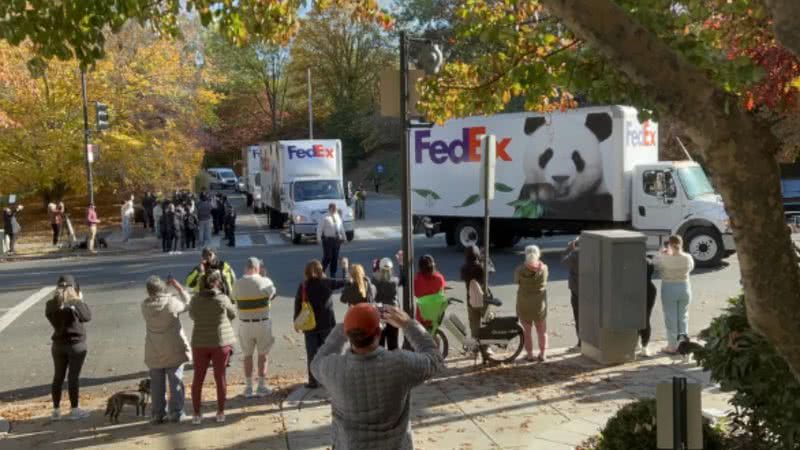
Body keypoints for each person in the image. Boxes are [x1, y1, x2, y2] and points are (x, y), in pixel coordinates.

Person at [310, 303, 444, 450]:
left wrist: (347, 325)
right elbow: (434, 359)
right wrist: (408, 324)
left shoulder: (332, 369)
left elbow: (316, 362)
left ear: (348, 335)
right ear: (379, 333)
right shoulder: (400, 364)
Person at [141, 275, 191, 424]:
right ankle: (176, 412)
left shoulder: (145, 306)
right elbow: (188, 304)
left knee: (157, 385)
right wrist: (179, 288)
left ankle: (157, 413)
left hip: (153, 349)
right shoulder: (171, 303)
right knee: (175, 381)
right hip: (173, 347)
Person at [188, 270, 236, 424]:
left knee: (198, 378)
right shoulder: (222, 299)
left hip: (199, 342)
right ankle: (220, 412)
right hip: (220, 342)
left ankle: (196, 414)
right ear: (217, 283)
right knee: (220, 377)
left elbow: (192, 316)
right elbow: (233, 314)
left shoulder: (195, 299)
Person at [293, 260, 347, 388]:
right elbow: (345, 282)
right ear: (321, 270)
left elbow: (298, 304)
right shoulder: (327, 283)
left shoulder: (304, 286)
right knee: (329, 352)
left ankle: (313, 381)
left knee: (312, 354)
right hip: (326, 324)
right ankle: (328, 379)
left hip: (309, 325)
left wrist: (296, 321)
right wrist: (344, 268)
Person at [45, 275, 91, 421]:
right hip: (76, 344)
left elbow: (50, 315)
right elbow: (87, 317)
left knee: (58, 376)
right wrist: (79, 301)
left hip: (58, 345)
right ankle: (74, 409)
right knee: (73, 377)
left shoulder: (51, 304)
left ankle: (56, 410)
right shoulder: (76, 303)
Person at [233, 257, 277, 397]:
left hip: (245, 324)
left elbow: (234, 299)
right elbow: (272, 294)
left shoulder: (237, 284)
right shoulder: (266, 282)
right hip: (262, 322)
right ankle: (261, 386)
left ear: (246, 268)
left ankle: (248, 387)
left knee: (247, 355)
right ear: (258, 268)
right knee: (263, 355)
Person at [654, 235, 695, 354]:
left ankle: (672, 346)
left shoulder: (663, 258)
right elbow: (691, 268)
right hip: (684, 287)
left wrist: (661, 253)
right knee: (683, 317)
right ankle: (683, 345)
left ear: (668, 245)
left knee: (671, 318)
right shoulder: (687, 257)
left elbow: (655, 264)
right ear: (681, 244)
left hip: (669, 287)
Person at [515, 245, 549, 362]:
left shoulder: (520, 270)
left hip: (524, 304)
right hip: (539, 305)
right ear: (538, 254)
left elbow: (516, 281)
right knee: (542, 331)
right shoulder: (544, 269)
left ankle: (529, 354)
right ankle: (543, 353)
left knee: (526, 332)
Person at [372, 258, 401, 350]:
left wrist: (374, 267)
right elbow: (403, 278)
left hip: (380, 312)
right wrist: (401, 264)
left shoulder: (374, 280)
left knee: (380, 341)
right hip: (393, 312)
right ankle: (394, 362)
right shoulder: (395, 281)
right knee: (393, 341)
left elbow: (375, 276)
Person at [413, 254, 447, 331]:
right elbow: (442, 292)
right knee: (434, 332)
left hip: (422, 314)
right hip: (436, 312)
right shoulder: (439, 278)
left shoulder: (417, 279)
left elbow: (416, 294)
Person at [460, 245, 487, 340]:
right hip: (483, 299)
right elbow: (491, 271)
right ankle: (486, 347)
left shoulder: (464, 268)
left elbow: (462, 278)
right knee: (487, 322)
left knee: (474, 325)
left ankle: (475, 349)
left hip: (470, 299)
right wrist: (484, 258)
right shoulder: (481, 267)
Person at [561, 237, 581, 350]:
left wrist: (569, 248)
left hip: (576, 290)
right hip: (590, 291)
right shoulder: (592, 254)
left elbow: (563, 261)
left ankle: (580, 342)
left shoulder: (574, 255)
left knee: (578, 317)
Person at [316, 203, 346, 278]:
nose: (335, 209)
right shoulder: (325, 217)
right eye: (333, 208)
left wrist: (344, 237)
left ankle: (333, 273)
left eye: (335, 208)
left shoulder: (337, 216)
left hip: (336, 239)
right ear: (330, 208)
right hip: (328, 240)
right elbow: (319, 228)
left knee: (335, 257)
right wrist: (318, 238)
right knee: (328, 256)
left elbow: (341, 228)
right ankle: (321, 271)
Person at [638, 257, 658, 357]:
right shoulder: (649, 261)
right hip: (649, 289)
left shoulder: (628, 261)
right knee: (646, 317)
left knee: (634, 317)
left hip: (634, 290)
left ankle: (637, 343)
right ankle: (644, 346)